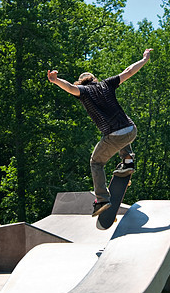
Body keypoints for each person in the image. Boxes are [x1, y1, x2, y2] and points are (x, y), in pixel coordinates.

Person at [47, 48, 153, 217]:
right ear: (94, 79)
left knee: (96, 162)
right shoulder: (107, 84)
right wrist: (144, 59)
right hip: (131, 130)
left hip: (114, 135)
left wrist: (55, 80)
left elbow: (69, 88)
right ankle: (127, 160)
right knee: (122, 133)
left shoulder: (83, 91)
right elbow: (128, 71)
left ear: (81, 83)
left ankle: (102, 199)